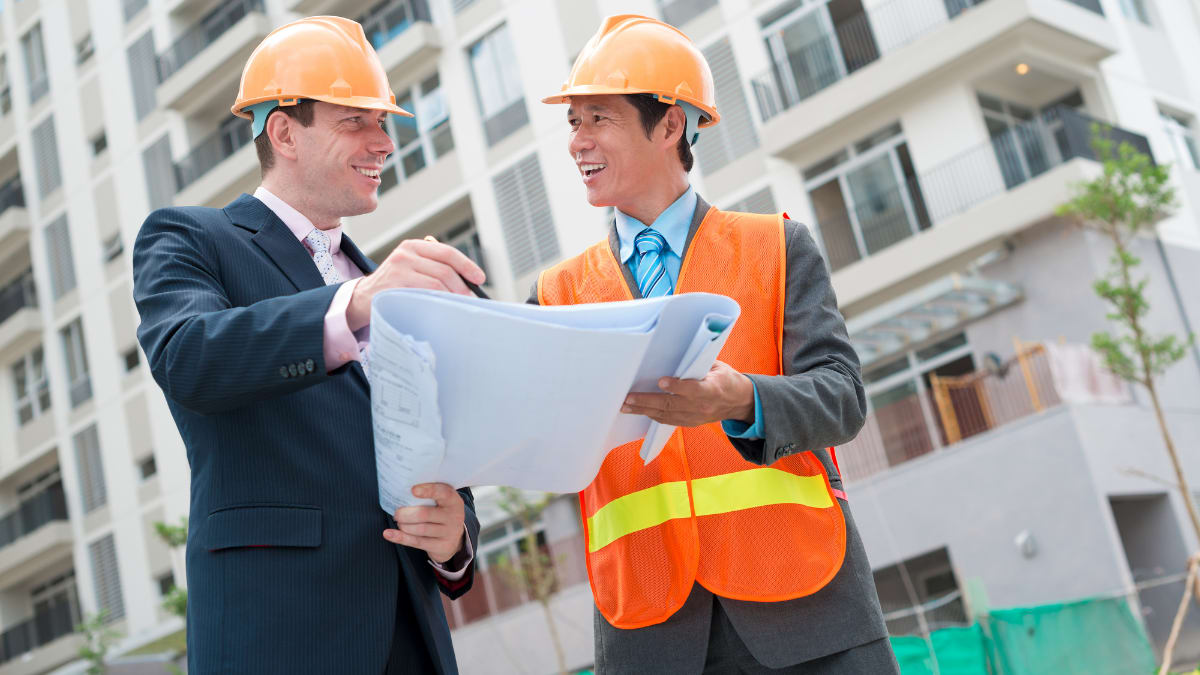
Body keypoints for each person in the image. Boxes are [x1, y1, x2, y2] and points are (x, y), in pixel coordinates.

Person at [531, 15, 899, 673]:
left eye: (597, 119)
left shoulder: (776, 248)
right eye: (572, 122)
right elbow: (537, 446)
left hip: (809, 613)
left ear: (670, 125)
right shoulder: (556, 296)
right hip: (651, 634)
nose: (576, 142)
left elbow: (842, 399)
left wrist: (743, 399)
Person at [132, 17, 485, 674]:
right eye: (358, 120)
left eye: (385, 122)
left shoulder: (387, 283)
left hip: (411, 635)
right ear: (284, 132)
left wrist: (455, 536)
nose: (385, 141)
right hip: (281, 634)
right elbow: (187, 355)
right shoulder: (190, 238)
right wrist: (353, 303)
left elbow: (434, 448)